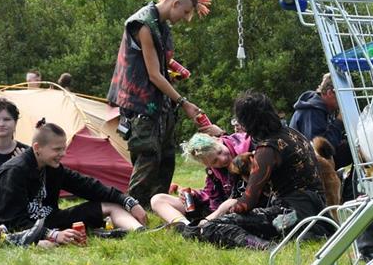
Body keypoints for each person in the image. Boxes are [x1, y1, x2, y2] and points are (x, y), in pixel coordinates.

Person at [107, 0, 213, 208]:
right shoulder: (143, 24)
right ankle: (131, 208)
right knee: (148, 157)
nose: (186, 18)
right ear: (175, 3)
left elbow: (156, 64)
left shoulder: (161, 25)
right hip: (141, 104)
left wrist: (174, 69)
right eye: (185, 12)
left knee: (166, 158)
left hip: (159, 103)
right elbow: (154, 75)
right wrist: (183, 102)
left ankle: (158, 204)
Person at [177, 91, 326, 250]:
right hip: (319, 211)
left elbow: (247, 203)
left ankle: (265, 247)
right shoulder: (292, 133)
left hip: (293, 217)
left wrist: (225, 212)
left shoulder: (267, 149)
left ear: (247, 122)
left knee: (211, 227)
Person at [0, 121, 148, 243]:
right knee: (44, 243)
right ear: (37, 148)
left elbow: (87, 186)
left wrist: (128, 201)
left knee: (111, 204)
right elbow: (12, 221)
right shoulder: (14, 172)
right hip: (20, 229)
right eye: (57, 149)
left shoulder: (52, 167)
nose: (62, 154)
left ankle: (143, 233)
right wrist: (52, 235)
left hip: (51, 220)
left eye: (63, 148)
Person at [150, 132, 252, 226]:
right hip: (219, 209)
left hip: (244, 205)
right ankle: (185, 226)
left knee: (228, 204)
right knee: (158, 199)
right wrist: (194, 195)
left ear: (217, 140)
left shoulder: (246, 147)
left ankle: (197, 226)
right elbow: (211, 195)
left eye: (220, 151)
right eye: (215, 161)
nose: (223, 159)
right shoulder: (213, 171)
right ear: (207, 164)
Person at [289, 73, 351, 169]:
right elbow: (320, 150)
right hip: (307, 168)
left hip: (311, 162)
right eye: (342, 94)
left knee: (354, 147)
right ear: (330, 93)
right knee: (351, 149)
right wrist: (339, 122)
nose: (345, 99)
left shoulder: (321, 109)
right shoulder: (313, 111)